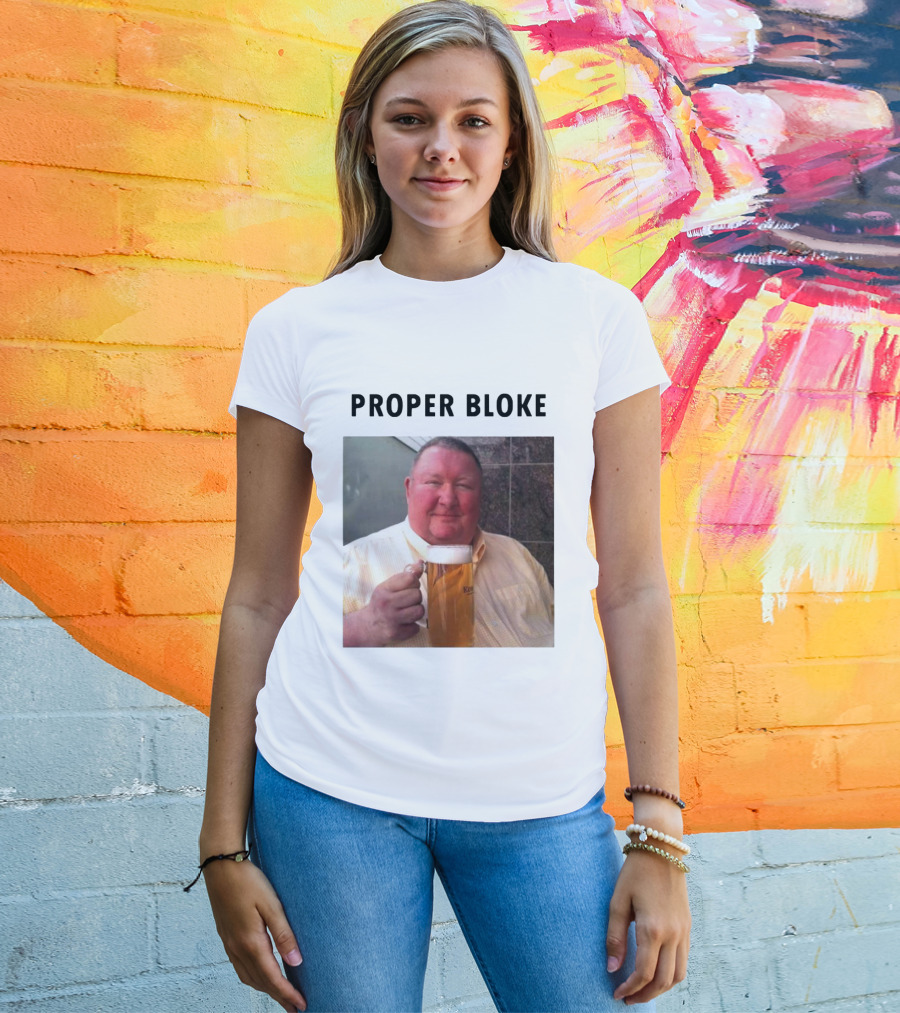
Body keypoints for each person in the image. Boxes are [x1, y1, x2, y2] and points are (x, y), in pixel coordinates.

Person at [197, 2, 691, 1011]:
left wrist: (658, 826)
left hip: (541, 799)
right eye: (410, 118)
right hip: (326, 790)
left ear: (513, 144)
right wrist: (220, 845)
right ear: (365, 134)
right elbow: (256, 595)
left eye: (474, 120)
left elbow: (636, 586)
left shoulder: (595, 320)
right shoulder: (297, 329)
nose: (442, 148)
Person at [343, 436, 554, 647]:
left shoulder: (515, 552)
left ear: (480, 495)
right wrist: (365, 625)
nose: (448, 499)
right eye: (433, 482)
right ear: (408, 490)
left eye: (463, 485)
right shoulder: (351, 561)